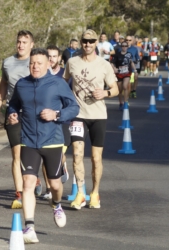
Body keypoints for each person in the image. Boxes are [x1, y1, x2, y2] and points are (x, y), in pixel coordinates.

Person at [8, 48, 79, 244]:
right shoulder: (22, 84)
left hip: (53, 141)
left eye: (39, 63)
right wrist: (12, 114)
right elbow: (13, 104)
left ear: (48, 64)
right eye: (32, 63)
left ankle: (56, 204)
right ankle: (29, 227)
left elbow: (73, 107)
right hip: (29, 140)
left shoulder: (58, 83)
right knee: (28, 183)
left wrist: (57, 115)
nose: (35, 66)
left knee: (55, 185)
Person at [63, 29, 119, 210]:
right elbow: (63, 82)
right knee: (77, 154)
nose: (88, 44)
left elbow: (115, 89)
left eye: (91, 41)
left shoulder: (104, 65)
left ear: (96, 43)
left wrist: (105, 92)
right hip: (78, 115)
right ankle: (80, 192)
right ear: (80, 42)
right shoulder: (72, 62)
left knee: (96, 158)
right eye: (85, 41)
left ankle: (95, 193)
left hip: (98, 116)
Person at [0, 30, 35, 209]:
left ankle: (34, 181)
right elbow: (4, 82)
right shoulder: (8, 62)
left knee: (32, 152)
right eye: (19, 41)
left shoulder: (36, 62)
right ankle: (20, 193)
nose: (21, 45)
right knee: (16, 154)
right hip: (13, 110)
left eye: (25, 42)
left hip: (33, 111)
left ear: (31, 45)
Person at [42, 45, 70, 200]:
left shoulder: (64, 75)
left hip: (62, 121)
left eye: (54, 56)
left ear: (59, 58)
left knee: (59, 154)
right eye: (49, 56)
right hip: (43, 121)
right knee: (44, 156)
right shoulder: (39, 73)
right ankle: (48, 188)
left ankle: (62, 166)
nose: (51, 59)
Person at [111, 41, 137, 110]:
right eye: (123, 46)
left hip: (127, 72)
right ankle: (121, 103)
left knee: (125, 86)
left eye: (126, 46)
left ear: (127, 47)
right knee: (120, 89)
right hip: (119, 73)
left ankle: (125, 102)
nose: (124, 47)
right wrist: (114, 68)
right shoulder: (117, 55)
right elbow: (112, 63)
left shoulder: (129, 54)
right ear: (121, 47)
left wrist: (135, 70)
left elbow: (131, 62)